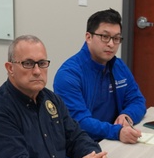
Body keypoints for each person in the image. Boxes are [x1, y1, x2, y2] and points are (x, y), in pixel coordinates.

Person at [53, 8, 147, 144]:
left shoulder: (118, 66)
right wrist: (117, 131)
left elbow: (137, 100)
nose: (111, 44)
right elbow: (79, 122)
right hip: (81, 147)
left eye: (116, 38)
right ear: (88, 37)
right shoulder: (69, 74)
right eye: (105, 37)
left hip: (113, 140)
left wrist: (127, 115)